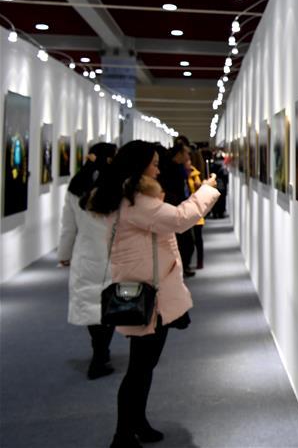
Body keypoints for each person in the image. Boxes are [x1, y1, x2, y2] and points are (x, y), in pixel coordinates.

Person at [87, 140, 219, 448]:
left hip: (145, 291)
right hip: (149, 297)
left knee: (143, 367)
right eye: (154, 163)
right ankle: (123, 435)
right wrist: (207, 190)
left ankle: (137, 424)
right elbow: (180, 219)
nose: (159, 168)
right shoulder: (138, 202)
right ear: (140, 167)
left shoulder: (126, 198)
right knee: (139, 369)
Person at [58, 142, 118, 380]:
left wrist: (64, 254)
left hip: (86, 254)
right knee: (111, 305)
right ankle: (102, 354)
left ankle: (100, 352)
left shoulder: (76, 186)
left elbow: (68, 227)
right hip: (114, 253)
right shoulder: (118, 187)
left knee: (91, 304)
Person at [156, 140, 195, 277]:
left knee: (185, 242)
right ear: (179, 153)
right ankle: (181, 268)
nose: (189, 157)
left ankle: (183, 267)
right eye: (186, 153)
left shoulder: (178, 167)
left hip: (179, 207)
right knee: (184, 242)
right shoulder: (170, 169)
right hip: (174, 209)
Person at [186, 150, 207, 269]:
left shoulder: (195, 174)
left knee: (198, 238)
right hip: (186, 209)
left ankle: (200, 261)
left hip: (195, 209)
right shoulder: (183, 175)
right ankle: (187, 263)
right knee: (188, 240)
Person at [208, 151, 229, 219]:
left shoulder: (212, 165)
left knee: (214, 200)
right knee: (222, 200)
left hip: (214, 185)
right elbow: (226, 177)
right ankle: (220, 213)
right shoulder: (223, 167)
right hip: (222, 185)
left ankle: (215, 213)